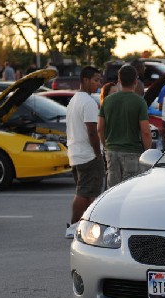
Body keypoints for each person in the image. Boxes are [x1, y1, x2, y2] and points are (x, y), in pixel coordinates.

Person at [65, 66, 105, 238]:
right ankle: (73, 227)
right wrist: (98, 154)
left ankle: (83, 228)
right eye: (96, 80)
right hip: (88, 155)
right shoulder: (88, 102)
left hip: (75, 153)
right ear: (85, 80)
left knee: (85, 193)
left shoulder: (74, 100)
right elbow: (92, 132)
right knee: (86, 193)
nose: (98, 83)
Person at [98, 65, 151, 190]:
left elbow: (100, 128)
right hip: (132, 152)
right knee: (129, 191)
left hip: (111, 152)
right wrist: (147, 152)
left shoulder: (107, 101)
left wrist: (106, 146)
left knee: (112, 191)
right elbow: (145, 132)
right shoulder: (139, 102)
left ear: (119, 80)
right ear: (135, 81)